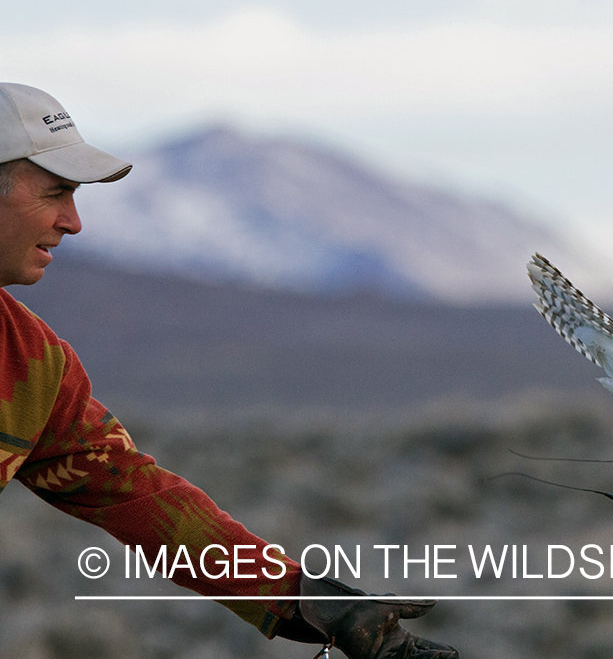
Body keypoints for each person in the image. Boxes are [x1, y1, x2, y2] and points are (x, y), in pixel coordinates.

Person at [0, 82, 457, 659]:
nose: (73, 221)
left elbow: (135, 494)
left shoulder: (30, 362)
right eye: (56, 193)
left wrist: (307, 600)